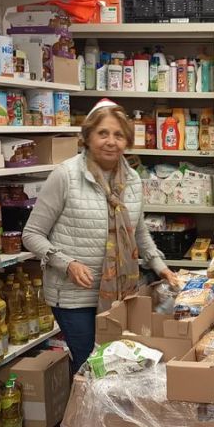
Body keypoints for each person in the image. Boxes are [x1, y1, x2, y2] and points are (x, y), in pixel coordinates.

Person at [22, 98, 179, 371]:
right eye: (103, 133)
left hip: (121, 292)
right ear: (88, 137)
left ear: (127, 141)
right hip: (74, 295)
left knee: (118, 363)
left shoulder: (132, 180)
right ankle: (83, 414)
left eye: (118, 135)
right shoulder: (66, 176)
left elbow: (137, 230)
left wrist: (160, 267)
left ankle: (107, 415)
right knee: (91, 366)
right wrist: (66, 263)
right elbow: (32, 234)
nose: (111, 141)